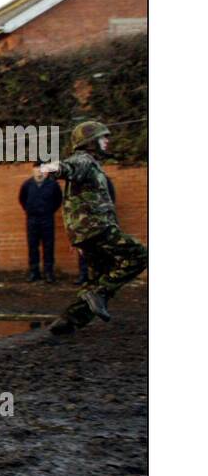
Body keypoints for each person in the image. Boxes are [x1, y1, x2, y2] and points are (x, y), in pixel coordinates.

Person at [38, 121, 147, 335]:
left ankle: (69, 321)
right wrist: (53, 167)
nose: (107, 141)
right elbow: (69, 167)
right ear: (90, 142)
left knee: (102, 274)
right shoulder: (85, 159)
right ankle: (101, 294)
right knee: (140, 255)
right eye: (102, 138)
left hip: (87, 232)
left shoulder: (93, 165)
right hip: (97, 229)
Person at [19, 162, 63, 282]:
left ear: (46, 171)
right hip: (32, 220)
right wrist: (30, 211)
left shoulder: (53, 185)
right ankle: (34, 272)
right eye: (36, 169)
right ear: (33, 171)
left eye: (41, 169)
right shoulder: (27, 185)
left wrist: (49, 211)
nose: (39, 172)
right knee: (33, 246)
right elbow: (22, 199)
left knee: (48, 246)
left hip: (47, 219)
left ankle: (48, 273)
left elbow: (58, 200)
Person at [76, 178, 116, 285]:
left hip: (101, 220)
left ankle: (103, 275)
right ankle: (83, 275)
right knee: (84, 248)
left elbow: (111, 199)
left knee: (102, 248)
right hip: (84, 221)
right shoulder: (79, 182)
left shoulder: (105, 181)